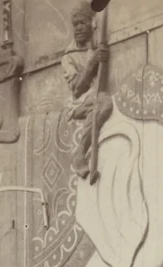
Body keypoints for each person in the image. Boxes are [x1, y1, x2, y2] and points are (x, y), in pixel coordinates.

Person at [62, 3, 113, 181]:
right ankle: (79, 154)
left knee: (101, 101)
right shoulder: (68, 57)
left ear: (92, 24)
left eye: (82, 23)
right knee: (104, 103)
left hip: (94, 97)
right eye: (75, 25)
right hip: (77, 104)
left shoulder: (95, 45)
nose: (78, 28)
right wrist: (93, 63)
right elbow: (77, 89)